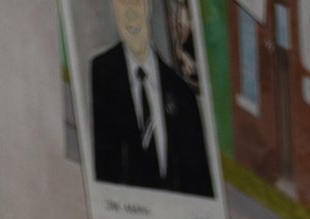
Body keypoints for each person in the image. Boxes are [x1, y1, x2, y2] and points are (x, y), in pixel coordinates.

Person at [88, 0, 215, 196]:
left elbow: (201, 187)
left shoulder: (182, 94)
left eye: (136, 3)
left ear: (148, 7)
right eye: (122, 4)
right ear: (113, 8)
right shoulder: (101, 74)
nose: (130, 13)